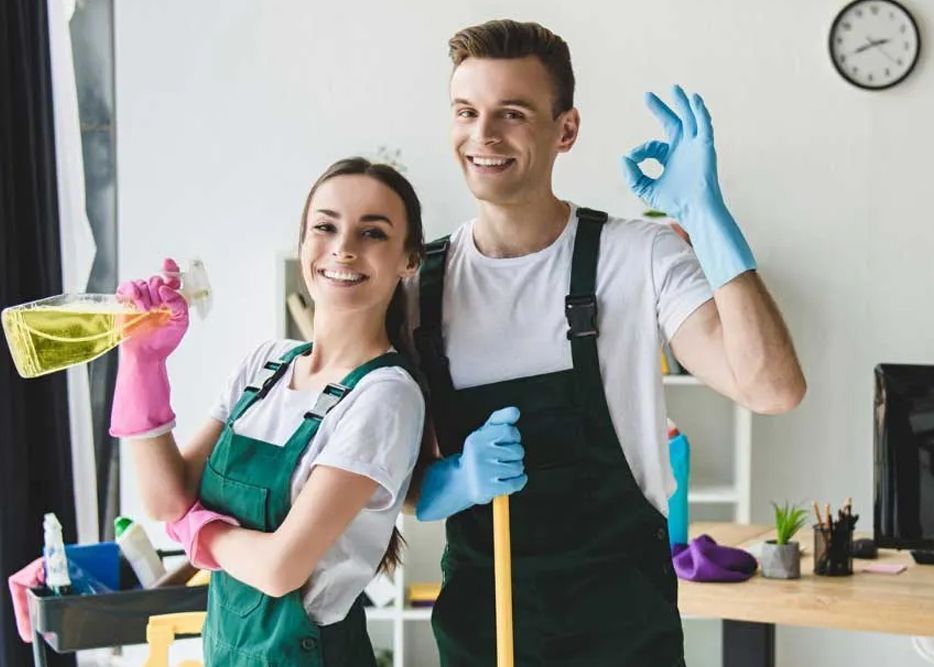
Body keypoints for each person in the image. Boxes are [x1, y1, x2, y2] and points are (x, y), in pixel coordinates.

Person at [408, 20, 807, 666]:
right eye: (466, 111)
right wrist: (453, 480)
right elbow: (384, 479)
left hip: (624, 633)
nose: (482, 135)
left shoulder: (634, 257)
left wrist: (707, 220)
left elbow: (772, 387)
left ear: (566, 128)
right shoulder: (419, 289)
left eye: (511, 113)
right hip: (486, 632)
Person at [110, 158, 426, 666]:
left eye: (372, 233)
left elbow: (283, 568)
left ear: (408, 260)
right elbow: (168, 499)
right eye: (324, 226)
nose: (343, 247)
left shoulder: (385, 394)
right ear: (303, 243)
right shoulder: (267, 365)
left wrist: (201, 531)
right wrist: (141, 364)